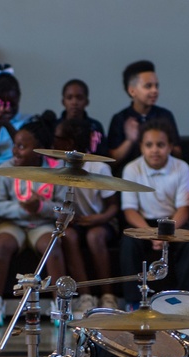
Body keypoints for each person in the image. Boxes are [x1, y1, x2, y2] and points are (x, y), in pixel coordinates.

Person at [0, 111, 66, 327]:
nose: (15, 151)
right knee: (2, 245)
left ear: (39, 149)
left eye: (22, 147)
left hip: (42, 224)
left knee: (52, 246)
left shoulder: (56, 170)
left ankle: (60, 303)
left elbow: (63, 208)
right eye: (15, 146)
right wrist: (21, 209)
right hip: (13, 223)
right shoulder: (5, 169)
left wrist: (41, 206)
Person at [119, 120, 189, 308]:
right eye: (149, 145)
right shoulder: (131, 168)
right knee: (128, 243)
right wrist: (151, 233)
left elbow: (184, 208)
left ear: (170, 147)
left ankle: (184, 301)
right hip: (143, 223)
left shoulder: (181, 167)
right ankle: (133, 301)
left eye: (160, 145)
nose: (155, 150)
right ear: (141, 147)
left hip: (172, 221)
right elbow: (129, 210)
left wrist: (165, 234)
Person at [54, 116, 120, 313]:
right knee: (68, 236)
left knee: (94, 236)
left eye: (57, 138)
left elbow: (113, 206)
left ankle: (108, 295)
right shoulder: (59, 169)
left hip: (103, 220)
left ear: (70, 143)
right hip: (76, 222)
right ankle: (85, 295)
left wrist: (98, 219)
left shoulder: (99, 168)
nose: (53, 142)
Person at [105, 60, 181, 174]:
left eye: (156, 86)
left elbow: (178, 153)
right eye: (148, 86)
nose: (155, 90)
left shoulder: (165, 116)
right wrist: (129, 141)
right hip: (128, 179)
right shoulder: (120, 118)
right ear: (132, 91)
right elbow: (111, 161)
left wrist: (162, 143)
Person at [59, 79, 106, 156]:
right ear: (63, 102)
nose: (74, 102)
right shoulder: (55, 126)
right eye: (69, 97)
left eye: (79, 98)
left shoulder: (95, 127)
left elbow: (102, 155)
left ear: (87, 102)